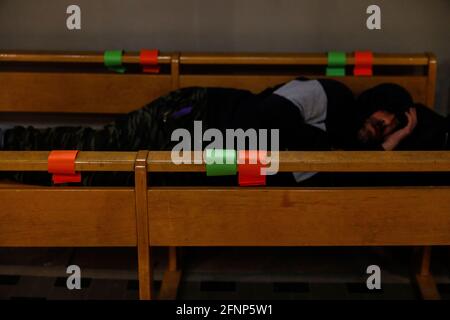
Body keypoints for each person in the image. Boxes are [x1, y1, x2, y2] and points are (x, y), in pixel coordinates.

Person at [0, 79, 448, 186]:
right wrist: (318, 145)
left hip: (202, 147)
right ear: (371, 106)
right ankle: (8, 144)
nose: (382, 128)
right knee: (92, 153)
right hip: (188, 120)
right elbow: (258, 121)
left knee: (102, 172)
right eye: (382, 119)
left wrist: (388, 149)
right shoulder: (325, 96)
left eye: (391, 131)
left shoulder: (349, 149)